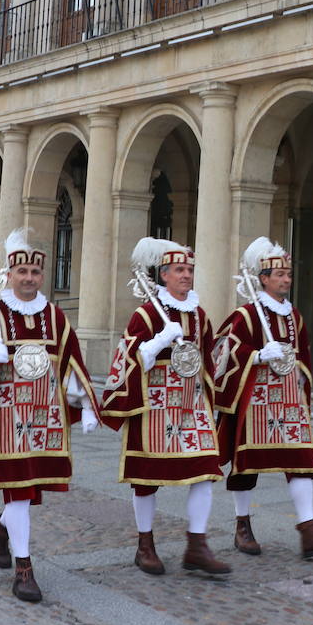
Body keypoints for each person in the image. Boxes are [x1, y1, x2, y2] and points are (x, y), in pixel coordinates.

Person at [0, 229, 99, 602]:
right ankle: (24, 570)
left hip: (47, 420)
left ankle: (0, 531)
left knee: (28, 492)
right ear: (10, 275)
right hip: (6, 422)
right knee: (17, 492)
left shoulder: (55, 317)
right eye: (23, 273)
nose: (29, 278)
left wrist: (85, 404)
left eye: (35, 272)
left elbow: (70, 365)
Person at [100, 238, 230, 576]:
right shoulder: (145, 314)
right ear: (164, 275)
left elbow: (209, 359)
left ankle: (197, 544)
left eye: (189, 270)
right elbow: (126, 358)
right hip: (154, 403)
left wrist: (215, 391)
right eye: (179, 270)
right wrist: (158, 342)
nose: (186, 275)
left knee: (205, 470)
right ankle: (145, 544)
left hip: (191, 403)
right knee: (146, 477)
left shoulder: (199, 315)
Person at [214, 238, 313, 558]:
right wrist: (259, 354)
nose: (287, 280)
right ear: (263, 278)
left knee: (301, 460)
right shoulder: (247, 315)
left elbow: (303, 354)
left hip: (288, 399)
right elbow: (226, 351)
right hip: (255, 400)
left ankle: (309, 530)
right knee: (246, 465)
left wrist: (300, 374)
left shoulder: (294, 316)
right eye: (280, 275)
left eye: (289, 274)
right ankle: (242, 525)